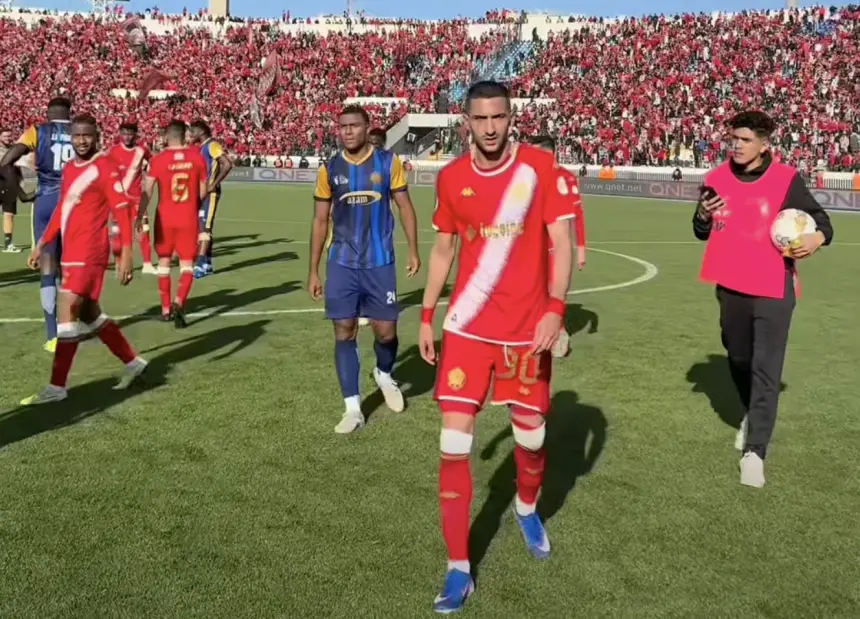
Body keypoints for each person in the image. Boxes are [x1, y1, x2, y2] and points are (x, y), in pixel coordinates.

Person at [417, 81, 577, 613]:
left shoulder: (540, 168)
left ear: (512, 119)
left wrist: (556, 309)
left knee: (530, 439)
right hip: (467, 329)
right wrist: (426, 315)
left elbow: (562, 243)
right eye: (480, 119)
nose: (490, 128)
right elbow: (442, 250)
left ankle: (527, 506)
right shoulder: (450, 178)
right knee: (453, 443)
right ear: (465, 120)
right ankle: (458, 566)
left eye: (499, 118)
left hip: (527, 332)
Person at [694, 110, 833, 488]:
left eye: (745, 140)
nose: (736, 145)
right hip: (730, 286)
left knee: (766, 370)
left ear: (764, 144)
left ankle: (755, 450)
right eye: (733, 138)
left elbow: (823, 223)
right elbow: (699, 229)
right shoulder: (715, 178)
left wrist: (815, 239)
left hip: (774, 287)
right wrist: (703, 218)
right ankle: (750, 415)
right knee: (739, 359)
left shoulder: (787, 179)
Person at [308, 104, 421, 434]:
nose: (347, 131)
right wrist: (313, 269)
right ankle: (353, 408)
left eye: (354, 126)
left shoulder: (388, 163)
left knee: (386, 331)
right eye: (342, 126)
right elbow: (318, 220)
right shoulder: (329, 168)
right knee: (343, 328)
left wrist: (413, 249)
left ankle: (384, 373)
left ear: (366, 127)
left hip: (379, 261)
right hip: (342, 261)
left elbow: (404, 206)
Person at [19, 114, 148, 405]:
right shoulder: (69, 169)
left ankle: (56, 386)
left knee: (67, 306)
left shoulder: (104, 167)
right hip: (72, 250)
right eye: (77, 136)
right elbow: (62, 209)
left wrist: (126, 252)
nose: (81, 141)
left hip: (90, 250)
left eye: (87, 136)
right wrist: (42, 243)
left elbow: (123, 208)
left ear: (96, 135)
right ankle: (133, 363)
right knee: (90, 312)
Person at [0, 97, 74, 353]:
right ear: (69, 113)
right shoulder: (81, 131)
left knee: (47, 268)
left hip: (45, 200)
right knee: (70, 269)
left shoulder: (37, 131)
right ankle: (69, 329)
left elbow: (6, 161)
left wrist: (20, 193)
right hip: (75, 202)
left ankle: (53, 335)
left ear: (48, 113)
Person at [136, 120, 208, 328]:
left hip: (164, 218)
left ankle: (166, 309)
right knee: (187, 264)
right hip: (187, 218)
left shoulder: (158, 160)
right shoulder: (196, 158)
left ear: (167, 137)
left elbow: (147, 191)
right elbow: (203, 190)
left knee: (164, 263)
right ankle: (179, 301)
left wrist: (140, 215)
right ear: (185, 136)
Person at [528, 136, 587, 358]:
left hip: (554, 248)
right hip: (531, 246)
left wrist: (580, 247)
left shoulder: (565, 178)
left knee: (555, 290)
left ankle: (560, 333)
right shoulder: (528, 178)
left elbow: (577, 215)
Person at [187, 120, 233, 278]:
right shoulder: (201, 147)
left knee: (205, 228)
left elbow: (227, 164)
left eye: (192, 132)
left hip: (210, 194)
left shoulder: (212, 145)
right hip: (202, 193)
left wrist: (214, 184)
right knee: (203, 227)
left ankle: (200, 264)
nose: (191, 135)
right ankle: (207, 263)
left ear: (200, 132)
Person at [108, 120, 154, 273]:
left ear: (135, 135)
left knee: (144, 229)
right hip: (119, 198)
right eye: (124, 134)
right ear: (120, 134)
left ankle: (147, 264)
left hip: (137, 199)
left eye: (130, 134)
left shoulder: (142, 150)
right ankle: (119, 262)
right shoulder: (113, 151)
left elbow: (154, 162)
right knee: (117, 233)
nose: (127, 137)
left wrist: (150, 173)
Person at [0, 127, 29, 253]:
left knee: (9, 214)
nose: (8, 138)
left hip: (9, 185)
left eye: (9, 136)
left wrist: (20, 178)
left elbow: (16, 167)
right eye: (5, 136)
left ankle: (8, 244)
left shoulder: (13, 150)